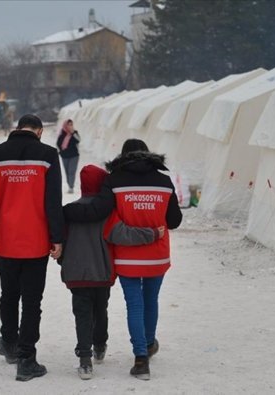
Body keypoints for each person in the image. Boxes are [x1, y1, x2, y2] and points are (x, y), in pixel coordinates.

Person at [63, 139, 182, 380]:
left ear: (123, 156)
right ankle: (149, 344)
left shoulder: (114, 181)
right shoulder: (164, 182)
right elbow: (174, 221)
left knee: (134, 305)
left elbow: (99, 211)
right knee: (151, 300)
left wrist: (65, 211)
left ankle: (141, 360)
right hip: (157, 256)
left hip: (127, 257)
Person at [0, 114, 64, 382]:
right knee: (32, 301)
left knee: (9, 294)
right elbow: (53, 200)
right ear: (38, 131)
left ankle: (10, 344)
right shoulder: (47, 155)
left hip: (7, 239)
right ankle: (27, 359)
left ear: (17, 129)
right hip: (37, 240)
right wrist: (57, 237)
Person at [56, 119, 80, 194]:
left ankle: (71, 187)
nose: (70, 126)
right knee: (66, 171)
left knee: (71, 171)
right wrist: (61, 151)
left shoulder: (74, 133)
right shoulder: (62, 133)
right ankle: (69, 184)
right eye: (69, 124)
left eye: (71, 124)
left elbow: (78, 140)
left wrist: (73, 133)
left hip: (74, 156)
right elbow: (58, 143)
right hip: (64, 156)